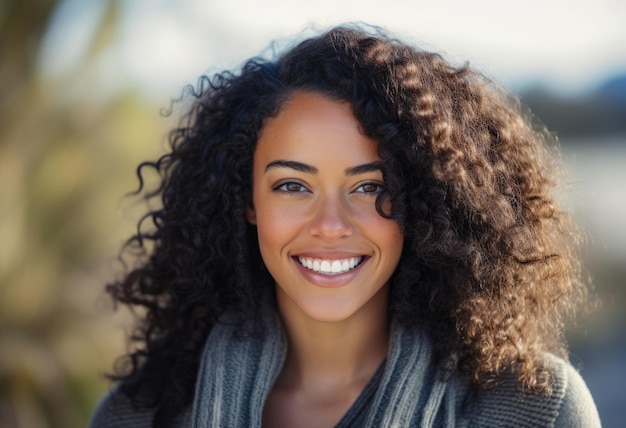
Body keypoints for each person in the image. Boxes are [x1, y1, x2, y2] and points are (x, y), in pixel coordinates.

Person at [89, 26, 601, 427]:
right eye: (292, 186)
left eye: (370, 187)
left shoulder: (535, 410)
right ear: (247, 201)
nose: (330, 225)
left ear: (420, 203)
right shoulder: (140, 416)